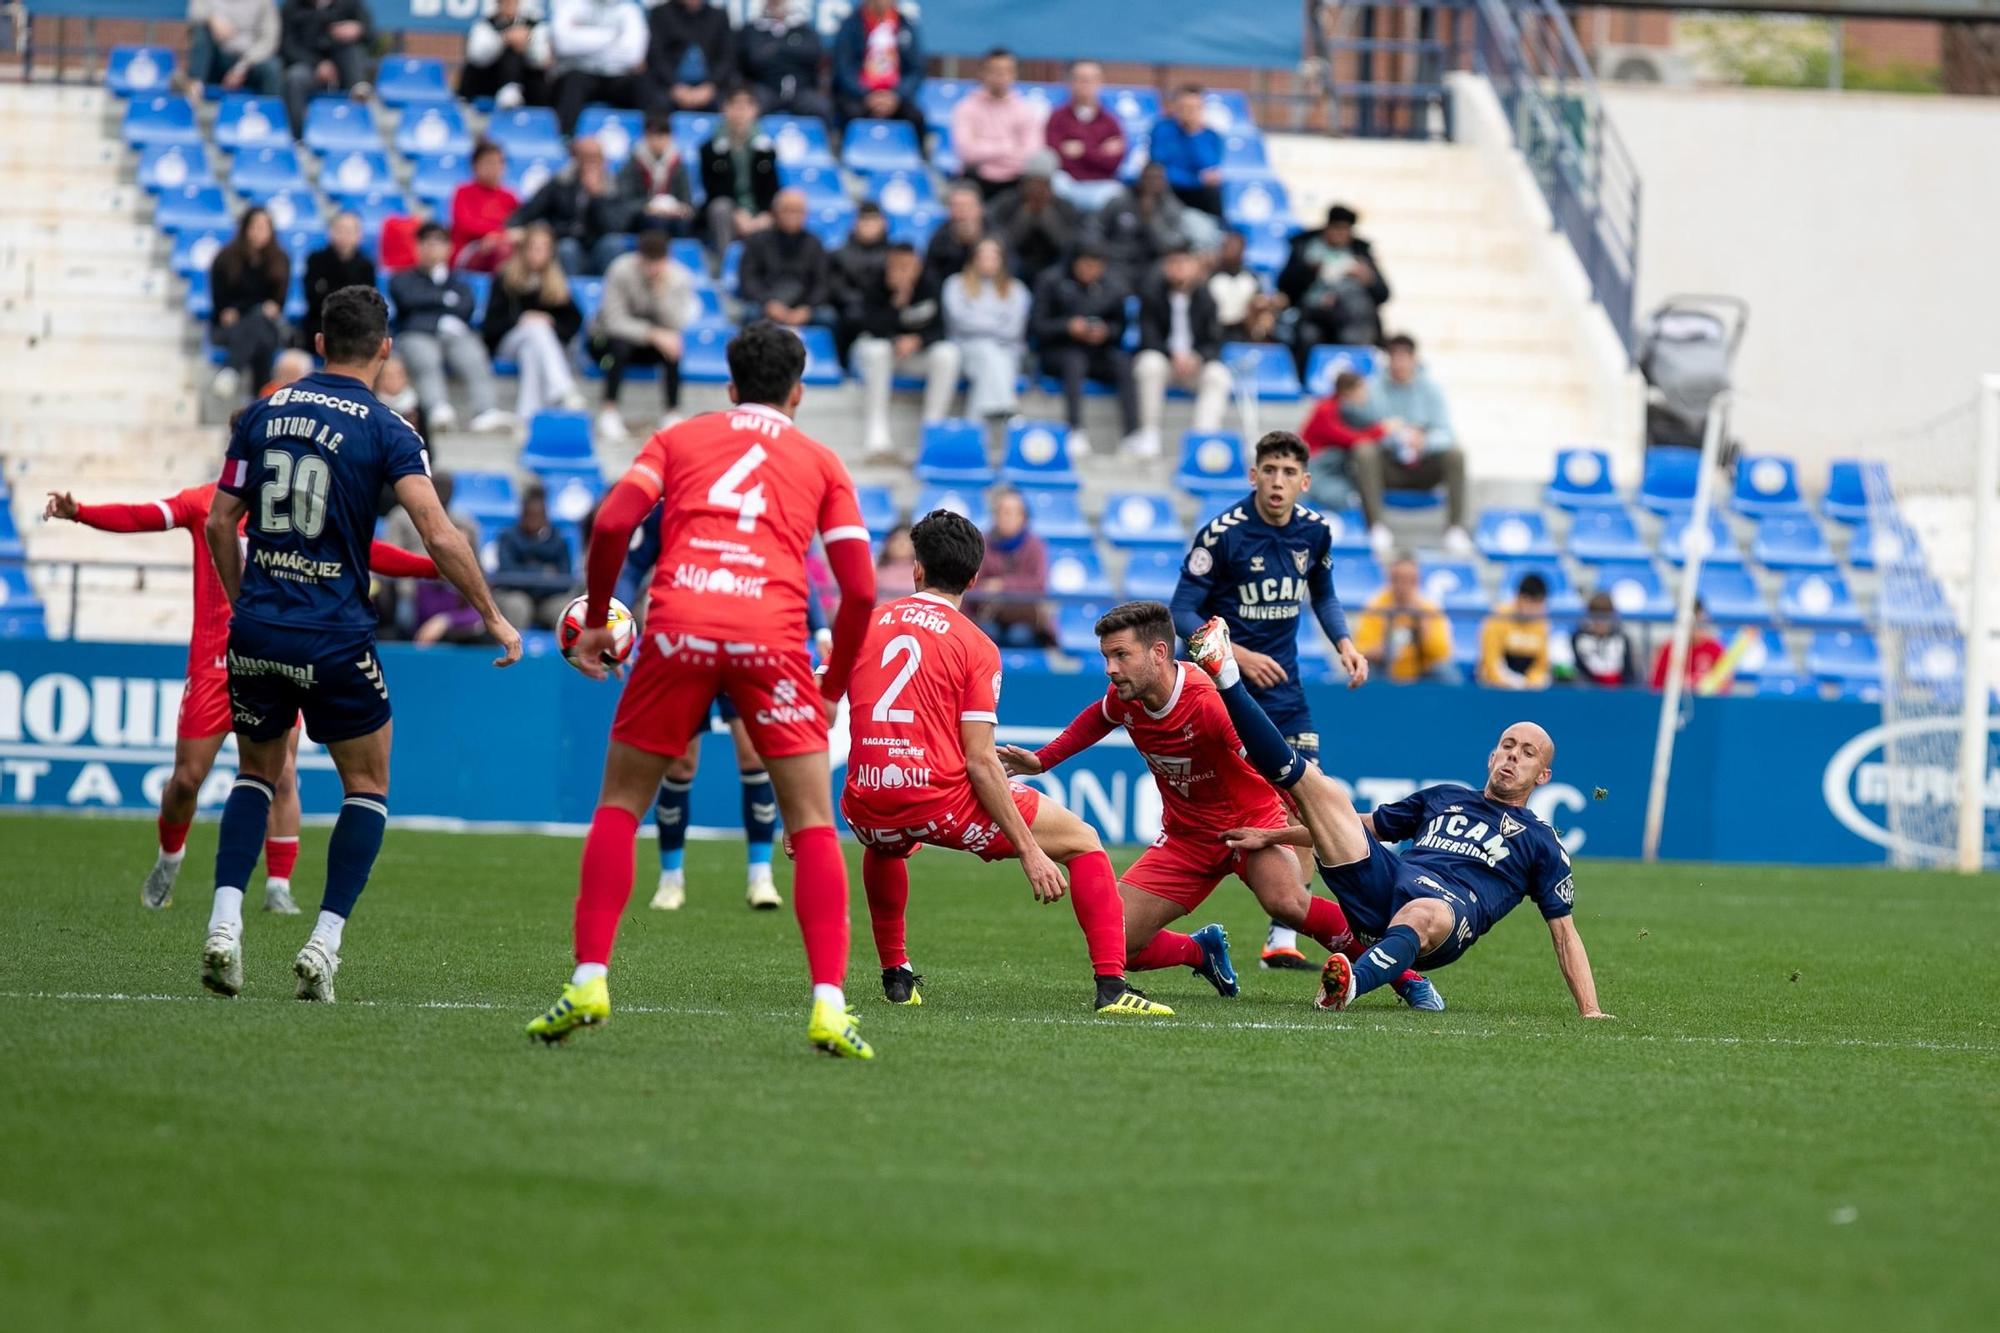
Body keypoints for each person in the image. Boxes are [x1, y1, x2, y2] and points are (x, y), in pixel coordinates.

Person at [525, 322, 882, 1059]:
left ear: (728, 387)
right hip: (773, 637)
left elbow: (615, 519)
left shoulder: (679, 439)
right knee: (813, 822)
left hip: (679, 621)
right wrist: (835, 687)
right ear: (798, 392)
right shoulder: (820, 461)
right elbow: (860, 588)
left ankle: (590, 976)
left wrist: (596, 618)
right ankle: (828, 1004)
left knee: (621, 805)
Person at [200, 284, 520, 1002]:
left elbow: (222, 522)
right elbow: (439, 533)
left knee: (256, 774)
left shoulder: (262, 411)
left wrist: (243, 600)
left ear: (318, 343)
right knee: (367, 784)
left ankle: (224, 925)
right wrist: (495, 617)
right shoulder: (390, 428)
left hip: (259, 624)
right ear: (384, 350)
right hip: (334, 632)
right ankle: (323, 943)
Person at [40, 473, 436, 915]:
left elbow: (362, 552)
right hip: (215, 666)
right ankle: (170, 858)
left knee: (283, 772)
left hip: (274, 657)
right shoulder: (205, 503)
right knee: (187, 779)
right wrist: (81, 513)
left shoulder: (298, 508)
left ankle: (278, 886)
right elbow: (142, 515)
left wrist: (432, 565)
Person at [1001, 600, 1433, 1003]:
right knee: (1117, 940)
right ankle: (1199, 952)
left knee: (1286, 902)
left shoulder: (1206, 703)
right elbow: (1098, 717)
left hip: (1250, 825)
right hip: (1187, 837)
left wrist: (1297, 807)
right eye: (1106, 657)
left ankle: (1404, 976)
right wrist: (1042, 760)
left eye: (1120, 656)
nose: (1110, 669)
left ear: (1157, 652)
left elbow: (1264, 757)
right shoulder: (1125, 698)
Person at [1184, 617, 1608, 1018]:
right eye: (1508, 745)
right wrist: (1275, 836)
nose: (1514, 755)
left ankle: (1349, 987)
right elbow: (1363, 825)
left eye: (1528, 753)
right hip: (1381, 889)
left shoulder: (1541, 841)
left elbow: (1564, 933)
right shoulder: (1445, 796)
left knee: (1425, 911)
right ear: (1492, 755)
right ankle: (1228, 679)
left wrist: (1590, 1011)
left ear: (1544, 775)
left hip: (1445, 917)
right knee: (1322, 790)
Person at [840, 511, 1172, 1017]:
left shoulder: (863, 624)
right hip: (939, 799)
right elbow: (980, 760)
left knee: (888, 843)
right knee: (1083, 842)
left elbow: (814, 709)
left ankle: (897, 973)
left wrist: (801, 817)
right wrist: (1029, 851)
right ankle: (1112, 988)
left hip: (866, 802)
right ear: (973, 579)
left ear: (917, 570)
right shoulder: (976, 645)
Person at [1169, 430, 1371, 971]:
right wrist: (1232, 652)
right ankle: (1174, 902)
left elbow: (1322, 594)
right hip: (1220, 694)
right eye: (1270, 470)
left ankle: (1283, 936)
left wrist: (1345, 644)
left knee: (1311, 799)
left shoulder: (1316, 532)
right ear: (1253, 475)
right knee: (1207, 805)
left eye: (1288, 473)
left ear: (1304, 482)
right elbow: (1181, 610)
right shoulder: (1223, 534)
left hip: (1284, 696)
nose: (1278, 481)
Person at [613, 500, 830, 912]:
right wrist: (618, 619)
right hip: (687, 642)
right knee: (679, 763)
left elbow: (796, 565)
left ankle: (760, 876)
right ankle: (671, 879)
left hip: (747, 645)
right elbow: (635, 560)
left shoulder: (770, 506)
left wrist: (818, 625)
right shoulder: (682, 502)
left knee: (753, 756)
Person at [1347, 333, 1472, 554]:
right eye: (1394, 357)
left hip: (1424, 466)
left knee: (1456, 454)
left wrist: (1424, 441)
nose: (1399, 363)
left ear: (1414, 359)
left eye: (1404, 357)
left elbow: (1447, 433)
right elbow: (1363, 426)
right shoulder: (1373, 387)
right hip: (1388, 465)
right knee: (1364, 451)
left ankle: (1455, 529)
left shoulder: (1432, 389)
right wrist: (1394, 436)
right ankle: (1375, 526)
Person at [389, 223, 513, 434]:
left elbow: (466, 307)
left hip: (453, 336)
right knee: (425, 357)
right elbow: (408, 301)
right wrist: (443, 306)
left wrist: (429, 306)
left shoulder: (459, 282)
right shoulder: (402, 278)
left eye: (438, 243)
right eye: (427, 243)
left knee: (472, 352)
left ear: (448, 248)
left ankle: (486, 410)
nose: (432, 249)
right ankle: (437, 409)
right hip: (416, 334)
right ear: (418, 247)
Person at [850, 242, 958, 459]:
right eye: (896, 265)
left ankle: (932, 429)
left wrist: (918, 340)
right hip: (878, 354)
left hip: (914, 354)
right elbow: (867, 326)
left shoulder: (931, 283)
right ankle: (877, 434)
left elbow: (941, 329)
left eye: (907, 265)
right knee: (878, 350)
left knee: (948, 354)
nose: (902, 271)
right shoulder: (875, 281)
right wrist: (897, 303)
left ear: (917, 264)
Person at [588, 229, 697, 440]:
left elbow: (676, 323)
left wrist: (661, 294)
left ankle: (672, 412)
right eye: (649, 262)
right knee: (619, 346)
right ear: (639, 257)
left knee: (673, 345)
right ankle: (608, 410)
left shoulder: (679, 277)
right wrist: (653, 334)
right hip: (605, 344)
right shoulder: (620, 270)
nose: (653, 269)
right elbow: (613, 321)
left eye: (659, 262)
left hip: (649, 346)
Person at [1030, 244, 1136, 458]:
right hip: (1058, 351)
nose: (1090, 270)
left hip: (1097, 352)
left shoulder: (1113, 287)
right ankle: (1075, 429)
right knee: (1074, 359)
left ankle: (1133, 434)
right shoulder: (1051, 281)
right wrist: (1067, 327)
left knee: (1124, 364)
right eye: (1085, 265)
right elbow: (1037, 326)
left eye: (1095, 266)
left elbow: (1120, 326)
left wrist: (1106, 331)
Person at [1132, 244, 1231, 457]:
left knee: (1219, 375)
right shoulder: (1151, 295)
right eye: (1173, 263)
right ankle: (1149, 433)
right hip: (1165, 363)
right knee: (1149, 363)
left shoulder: (1206, 298)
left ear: (1195, 267)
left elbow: (1215, 342)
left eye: (1184, 263)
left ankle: (1202, 441)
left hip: (1194, 366)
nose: (1179, 269)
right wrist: (1172, 355)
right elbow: (1147, 338)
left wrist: (1197, 357)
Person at [482, 222, 583, 418]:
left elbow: (573, 322)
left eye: (544, 248)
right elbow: (491, 326)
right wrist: (521, 320)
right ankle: (562, 388)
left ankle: (527, 415)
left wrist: (550, 321)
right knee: (536, 329)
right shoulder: (505, 279)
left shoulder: (556, 282)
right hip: (507, 343)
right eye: (534, 247)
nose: (538, 253)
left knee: (532, 349)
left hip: (539, 347)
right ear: (523, 249)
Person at [1278, 204, 1390, 354]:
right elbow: (1285, 286)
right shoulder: (1305, 248)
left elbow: (1384, 294)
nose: (1340, 234)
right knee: (1308, 336)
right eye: (1336, 228)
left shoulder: (1360, 253)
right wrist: (1309, 272)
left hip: (1349, 317)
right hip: (1312, 314)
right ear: (1327, 228)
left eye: (1345, 230)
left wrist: (1369, 279)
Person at [508, 135, 625, 276]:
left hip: (599, 247)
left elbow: (616, 226)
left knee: (612, 244)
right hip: (569, 242)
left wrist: (597, 197)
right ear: (576, 160)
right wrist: (513, 227)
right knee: (567, 248)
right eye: (585, 158)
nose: (590, 164)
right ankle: (568, 293)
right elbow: (530, 209)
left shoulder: (614, 186)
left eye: (595, 158)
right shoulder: (561, 182)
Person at [941, 236, 1030, 420]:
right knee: (987, 352)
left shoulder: (1018, 290)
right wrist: (996, 323)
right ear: (973, 258)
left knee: (992, 358)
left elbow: (1013, 331)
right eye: (983, 256)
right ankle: (1009, 409)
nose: (987, 261)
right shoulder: (955, 284)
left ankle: (977, 424)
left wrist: (978, 322)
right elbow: (959, 323)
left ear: (1002, 260)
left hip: (1007, 353)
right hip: (965, 351)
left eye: (993, 256)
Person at [208, 206, 290, 403]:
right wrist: (251, 309)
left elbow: (277, 304)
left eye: (264, 227)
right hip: (231, 329)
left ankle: (231, 370)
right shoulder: (225, 258)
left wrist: (246, 310)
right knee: (260, 333)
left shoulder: (280, 260)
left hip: (264, 325)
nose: (259, 232)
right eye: (255, 226)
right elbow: (221, 305)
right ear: (245, 228)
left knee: (259, 324)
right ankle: (261, 400)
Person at [950, 47, 1044, 200]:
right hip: (976, 179)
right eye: (994, 70)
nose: (1000, 76)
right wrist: (1008, 146)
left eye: (1006, 70)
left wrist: (985, 148)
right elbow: (966, 152)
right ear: (983, 73)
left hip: (1016, 180)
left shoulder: (1025, 110)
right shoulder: (965, 108)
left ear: (1014, 74)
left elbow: (1031, 154)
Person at [699, 86, 781, 256]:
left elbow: (772, 188)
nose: (740, 112)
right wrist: (738, 214)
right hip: (729, 211)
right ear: (725, 109)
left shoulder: (765, 148)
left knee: (784, 209)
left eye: (746, 106)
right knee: (720, 207)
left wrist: (765, 214)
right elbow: (713, 189)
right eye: (735, 105)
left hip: (757, 210)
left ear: (755, 110)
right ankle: (724, 260)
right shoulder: (710, 149)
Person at [546, 0, 649, 135]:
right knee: (571, 83)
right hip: (580, 73)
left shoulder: (629, 10)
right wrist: (613, 36)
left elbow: (632, 55)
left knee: (646, 85)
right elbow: (563, 45)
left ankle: (649, 141)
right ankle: (564, 139)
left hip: (618, 75)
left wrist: (581, 38)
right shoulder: (571, 5)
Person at [966, 488, 1052, 647]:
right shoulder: (982, 543)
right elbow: (972, 581)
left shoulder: (1035, 546)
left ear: (1023, 517)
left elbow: (1039, 584)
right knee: (985, 634)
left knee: (1019, 635)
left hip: (1024, 617)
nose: (1006, 517)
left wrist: (1002, 585)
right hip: (987, 615)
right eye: (1001, 512)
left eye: (1011, 512)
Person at [1352, 554, 1456, 684]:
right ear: (1390, 580)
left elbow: (1442, 652)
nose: (1403, 585)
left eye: (1409, 580)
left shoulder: (1429, 609)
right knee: (1365, 670)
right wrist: (1385, 649)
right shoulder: (1376, 607)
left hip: (1421, 671)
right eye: (1398, 579)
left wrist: (1423, 625)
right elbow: (1361, 650)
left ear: (1417, 582)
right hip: (1384, 670)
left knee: (1446, 672)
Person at [1085, 161, 1191, 287]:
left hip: (1151, 264)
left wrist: (1151, 219)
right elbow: (1094, 226)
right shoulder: (1120, 201)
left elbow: (1171, 244)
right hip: (1116, 261)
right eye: (1149, 178)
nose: (1152, 183)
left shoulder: (1171, 208)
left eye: (1157, 178)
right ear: (1140, 179)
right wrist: (1101, 251)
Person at [278, 0, 373, 139]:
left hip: (344, 68)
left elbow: (372, 38)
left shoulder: (351, 4)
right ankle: (298, 138)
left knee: (352, 52)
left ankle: (357, 107)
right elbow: (287, 46)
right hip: (308, 66)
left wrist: (359, 30)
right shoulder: (292, 7)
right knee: (295, 78)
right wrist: (317, 64)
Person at [738, 188, 830, 328]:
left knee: (828, 317)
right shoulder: (757, 241)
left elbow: (822, 283)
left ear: (806, 214)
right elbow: (748, 279)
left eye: (798, 211)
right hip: (766, 304)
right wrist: (768, 303)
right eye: (787, 210)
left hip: (803, 306)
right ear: (775, 212)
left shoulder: (815, 243)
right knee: (750, 314)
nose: (792, 216)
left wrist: (807, 308)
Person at [831, 0, 925, 133]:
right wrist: (867, 95)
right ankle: (841, 150)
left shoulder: (905, 26)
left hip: (895, 97)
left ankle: (922, 152)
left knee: (915, 116)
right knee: (849, 113)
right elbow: (844, 69)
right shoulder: (850, 25)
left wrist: (896, 96)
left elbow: (915, 71)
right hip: (859, 96)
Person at [987, 150, 1079, 284]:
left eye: (1042, 184)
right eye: (1032, 183)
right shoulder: (1007, 202)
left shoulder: (1064, 207)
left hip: (1052, 262)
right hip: (1016, 262)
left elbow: (1066, 245)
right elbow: (1004, 242)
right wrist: (1026, 214)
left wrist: (1046, 214)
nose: (1036, 189)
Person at [1044, 59, 1125, 207]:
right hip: (1068, 182)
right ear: (1069, 82)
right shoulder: (1057, 118)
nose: (1085, 84)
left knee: (1117, 194)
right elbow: (1054, 157)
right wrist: (1099, 151)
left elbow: (1113, 163)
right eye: (1079, 79)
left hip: (1101, 184)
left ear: (1100, 82)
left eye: (1090, 79)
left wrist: (1083, 150)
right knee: (1053, 183)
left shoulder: (1111, 122)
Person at [491, 485, 574, 629]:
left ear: (545, 516)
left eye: (538, 516)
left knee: (564, 609)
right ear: (522, 515)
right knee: (518, 606)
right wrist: (543, 573)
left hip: (548, 598)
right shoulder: (508, 537)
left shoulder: (558, 540)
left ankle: (564, 650)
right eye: (529, 515)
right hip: (516, 594)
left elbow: (564, 580)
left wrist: (527, 574)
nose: (533, 521)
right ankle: (515, 649)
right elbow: (507, 574)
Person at [737, 0, 829, 120]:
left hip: (801, 90)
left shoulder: (805, 30)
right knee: (748, 106)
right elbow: (756, 58)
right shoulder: (752, 30)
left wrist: (776, 48)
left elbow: (812, 55)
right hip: (766, 89)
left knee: (821, 106)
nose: (777, 3)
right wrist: (791, 47)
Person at [613, 114, 696, 241]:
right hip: (642, 216)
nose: (657, 141)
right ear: (645, 137)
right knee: (656, 223)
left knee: (682, 224)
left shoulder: (678, 164)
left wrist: (679, 208)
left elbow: (687, 200)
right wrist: (648, 206)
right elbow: (624, 200)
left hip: (671, 215)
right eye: (652, 136)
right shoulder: (633, 163)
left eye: (661, 136)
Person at [302, 209, 375, 351]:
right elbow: (313, 297)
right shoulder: (316, 260)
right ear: (330, 232)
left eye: (350, 230)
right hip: (321, 322)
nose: (344, 235)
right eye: (340, 229)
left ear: (359, 235)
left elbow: (368, 301)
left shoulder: (366, 265)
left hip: (356, 325)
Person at [458, 0, 552, 109]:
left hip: (526, 85)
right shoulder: (484, 24)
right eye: (505, 3)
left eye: (513, 3)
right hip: (489, 82)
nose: (509, 6)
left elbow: (542, 59)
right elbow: (476, 56)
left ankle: (512, 90)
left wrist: (526, 43)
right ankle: (507, 90)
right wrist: (504, 39)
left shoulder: (534, 25)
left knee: (515, 54)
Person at [647, 0, 736, 114]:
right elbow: (656, 57)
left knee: (733, 103)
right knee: (654, 100)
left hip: (711, 86)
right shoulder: (661, 13)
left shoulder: (719, 16)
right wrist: (675, 86)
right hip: (669, 85)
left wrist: (710, 86)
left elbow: (727, 58)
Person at [1149, 84, 1223, 217]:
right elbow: (1159, 167)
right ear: (1175, 106)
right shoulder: (1162, 129)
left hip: (1197, 193)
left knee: (1214, 191)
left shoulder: (1210, 136)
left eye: (1193, 108)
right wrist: (1195, 180)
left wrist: (1194, 134)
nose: (1188, 112)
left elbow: (1210, 169)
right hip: (1170, 189)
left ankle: (1218, 231)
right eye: (1184, 107)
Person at [830, 200, 890, 356]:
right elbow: (837, 287)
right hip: (852, 311)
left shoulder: (894, 256)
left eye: (874, 219)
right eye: (864, 219)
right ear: (855, 223)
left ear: (884, 223)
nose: (869, 225)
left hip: (885, 310)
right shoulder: (839, 254)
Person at [187, 0, 282, 98]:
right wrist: (211, 19)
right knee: (201, 31)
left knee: (273, 67)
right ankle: (194, 91)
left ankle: (270, 111)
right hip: (216, 59)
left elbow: (269, 40)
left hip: (250, 61)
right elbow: (195, 13)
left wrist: (242, 66)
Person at [450, 140, 519, 271]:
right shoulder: (463, 192)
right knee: (501, 249)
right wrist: (498, 234)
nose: (495, 168)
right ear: (475, 166)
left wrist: (499, 238)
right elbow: (466, 225)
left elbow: (518, 225)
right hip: (469, 250)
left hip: (503, 245)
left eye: (499, 162)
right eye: (489, 162)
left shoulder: (510, 196)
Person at [1478, 571, 1552, 690]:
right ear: (1520, 598)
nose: (1537, 610)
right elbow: (1491, 662)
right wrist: (1511, 684)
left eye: (1540, 604)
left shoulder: (1541, 624)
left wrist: (1530, 682)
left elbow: (1541, 665)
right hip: (1498, 685)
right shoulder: (1498, 618)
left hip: (1529, 687)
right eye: (1533, 604)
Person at [1209, 229, 1283, 342]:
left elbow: (1261, 301)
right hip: (1216, 330)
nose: (1233, 251)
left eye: (1237, 247)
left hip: (1243, 330)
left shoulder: (1251, 278)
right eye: (1229, 247)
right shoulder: (1211, 278)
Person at [1649, 597, 1732, 692]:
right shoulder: (1670, 649)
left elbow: (1724, 687)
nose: (1695, 628)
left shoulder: (1715, 649)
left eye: (1699, 622)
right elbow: (1657, 686)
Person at [921, 183, 987, 293]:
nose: (962, 213)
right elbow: (931, 277)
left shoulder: (995, 235)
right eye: (956, 206)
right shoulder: (939, 239)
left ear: (979, 208)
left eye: (966, 206)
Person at [1574, 591, 1637, 687]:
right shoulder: (1578, 638)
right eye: (1596, 617)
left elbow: (1629, 675)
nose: (1600, 622)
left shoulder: (1622, 639)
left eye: (1605, 617)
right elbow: (1579, 671)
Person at [873, 523, 915, 604]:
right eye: (896, 539)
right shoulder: (875, 569)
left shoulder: (924, 572)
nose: (901, 544)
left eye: (906, 540)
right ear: (888, 543)